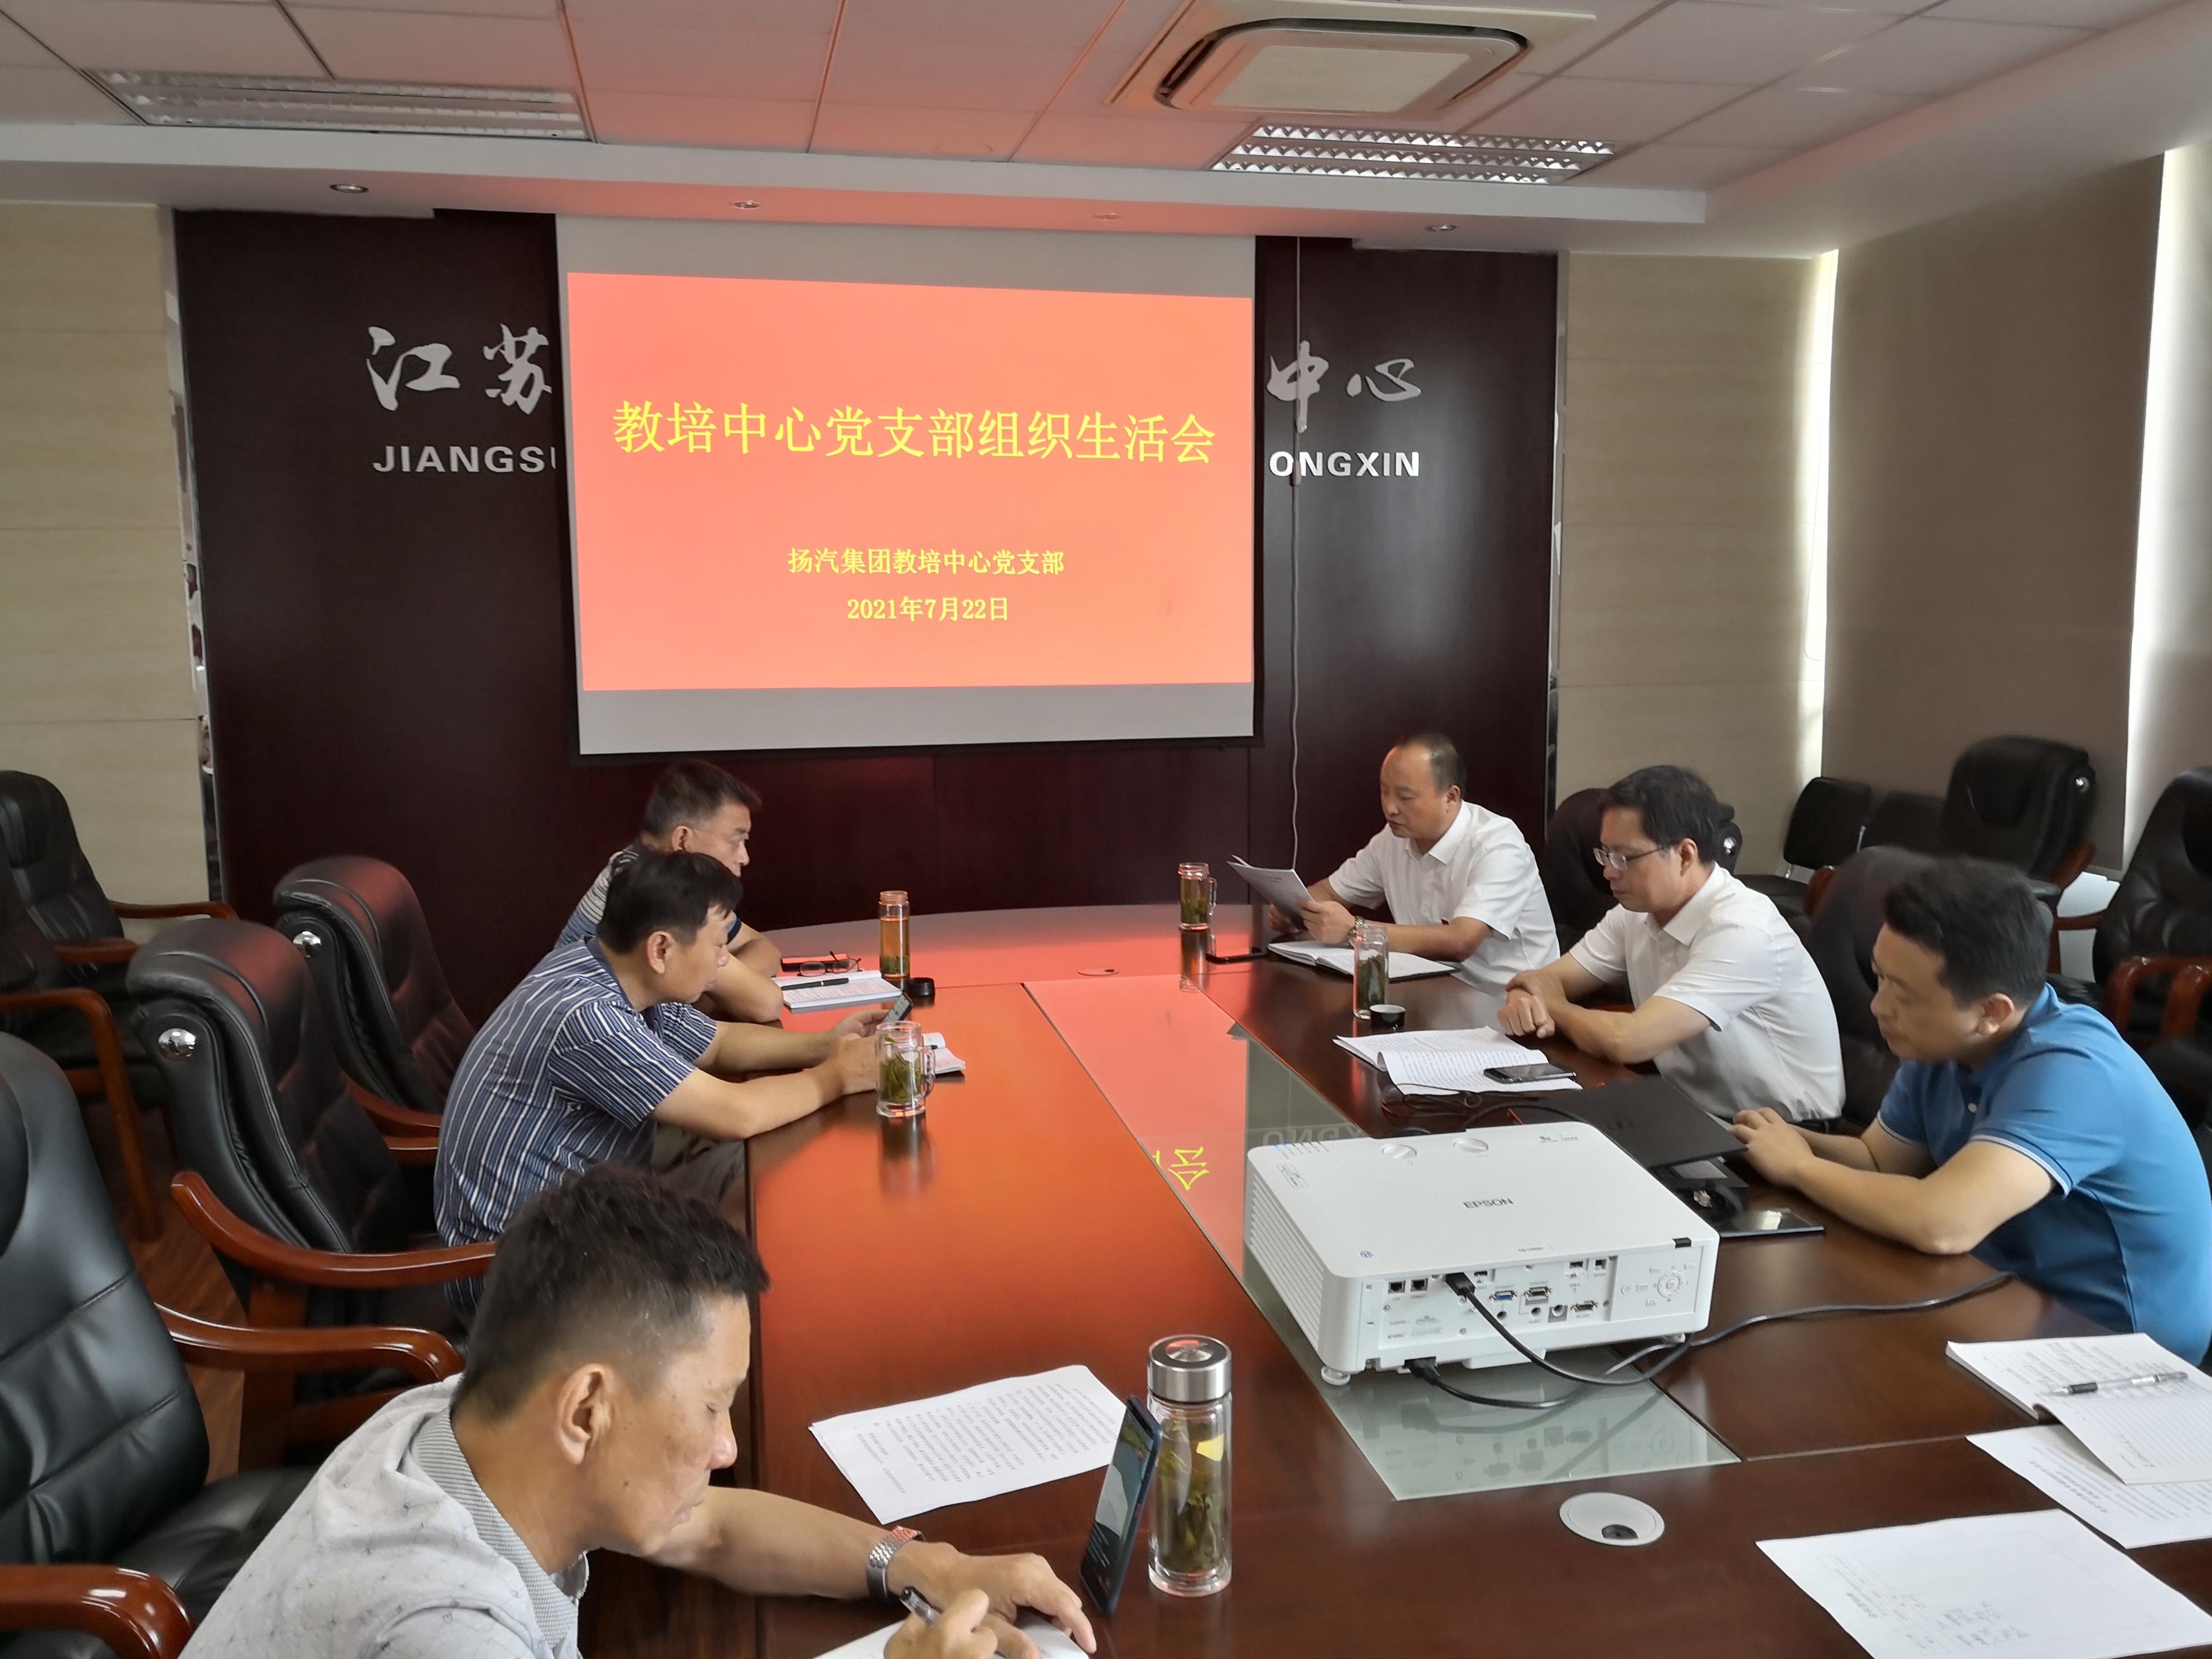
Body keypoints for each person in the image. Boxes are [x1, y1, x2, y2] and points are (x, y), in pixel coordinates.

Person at [185, 1164, 1093, 1659]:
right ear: (586, 1407)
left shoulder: (468, 1421)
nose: (728, 1447)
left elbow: (707, 1528)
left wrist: (925, 1564)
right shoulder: (442, 1627)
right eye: (711, 1407)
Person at [1732, 858, 2212, 1361]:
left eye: (1904, 994)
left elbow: (1943, 1224)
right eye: (1880, 978)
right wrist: (1776, 1139)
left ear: (1991, 1012)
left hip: (2121, 1345)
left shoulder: (2074, 1072)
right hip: (2007, 1291)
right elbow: (1880, 1162)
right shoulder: (1947, 1042)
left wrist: (1800, 1167)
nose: (1878, 1007)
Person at [437, 850, 877, 1310]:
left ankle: (750, 1307)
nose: (723, 962)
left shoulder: (611, 970)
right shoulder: (588, 1018)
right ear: (661, 949)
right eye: (717, 947)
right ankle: (749, 1318)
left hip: (586, 1212)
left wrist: (827, 1045)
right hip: (525, 1275)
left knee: (757, 1163)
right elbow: (736, 1114)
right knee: (752, 1169)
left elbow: (720, 1043)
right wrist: (838, 1077)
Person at [1498, 765, 1842, 1123]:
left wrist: (1552, 1005)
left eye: (1624, 858)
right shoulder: (1634, 914)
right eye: (1605, 854)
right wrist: (1524, 997)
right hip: (1694, 1114)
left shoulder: (1743, 930)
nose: (1609, 871)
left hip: (1791, 1135)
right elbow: (1545, 979)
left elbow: (1627, 1041)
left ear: (1685, 855)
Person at [1286, 733, 1559, 996]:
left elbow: (1462, 941)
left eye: (1406, 798)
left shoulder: (1497, 845)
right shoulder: (1393, 839)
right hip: (1433, 992)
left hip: (1507, 1001)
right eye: (1384, 791)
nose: (1390, 808)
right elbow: (1330, 893)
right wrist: (1294, 908)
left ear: (1451, 797)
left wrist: (1355, 930)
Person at [561, 760, 784, 1023]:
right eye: (735, 841)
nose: (744, 858)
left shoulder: (649, 868)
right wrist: (722, 986)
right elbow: (765, 1003)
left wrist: (707, 983)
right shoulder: (651, 891)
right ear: (682, 840)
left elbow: (765, 949)